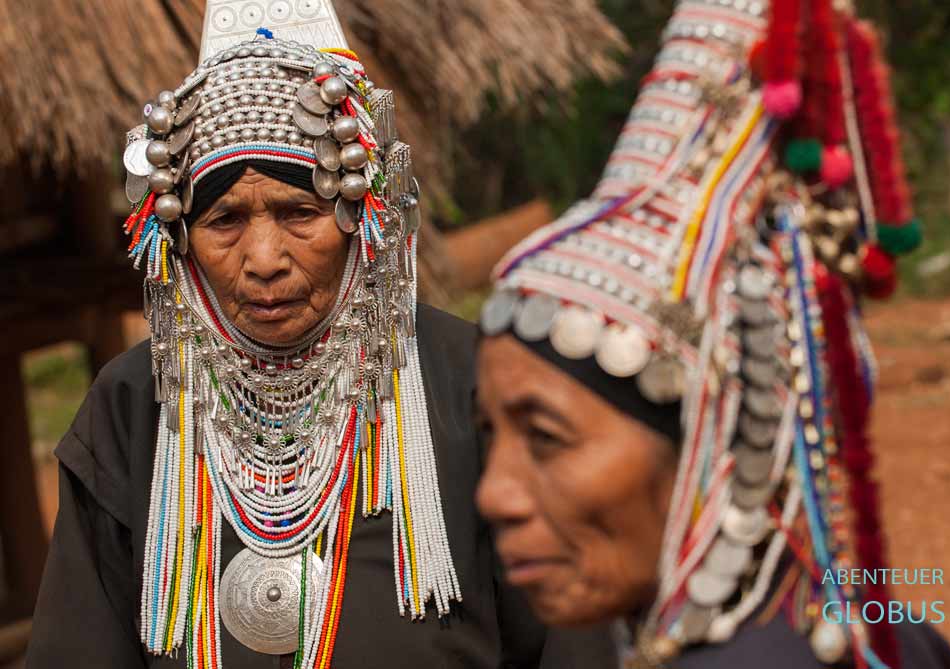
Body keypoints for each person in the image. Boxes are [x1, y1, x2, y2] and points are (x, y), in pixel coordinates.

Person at [27, 2, 612, 667]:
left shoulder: (476, 383)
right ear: (181, 239)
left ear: (361, 219)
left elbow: (576, 636)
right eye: (225, 221)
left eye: (298, 211)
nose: (265, 256)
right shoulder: (135, 407)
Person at [475, 1, 950, 668]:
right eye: (490, 433)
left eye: (547, 436)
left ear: (717, 444)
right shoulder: (896, 639)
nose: (494, 493)